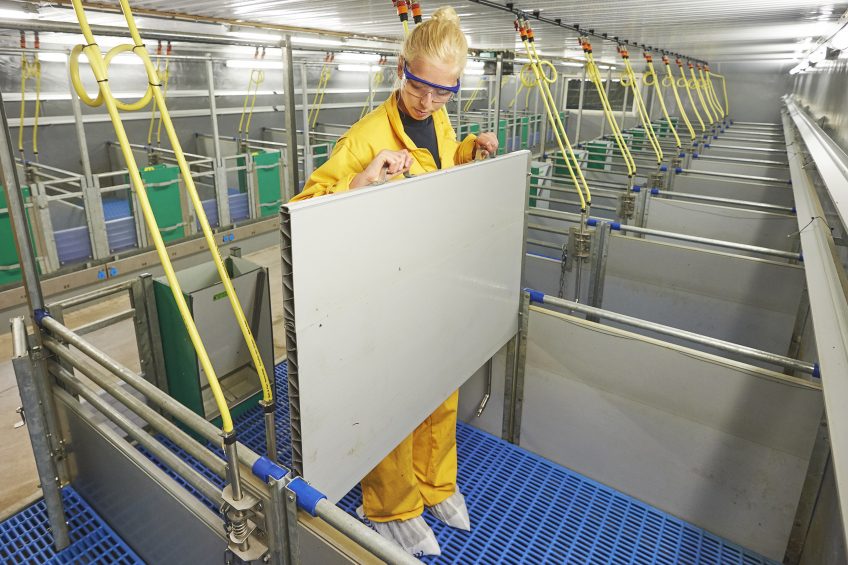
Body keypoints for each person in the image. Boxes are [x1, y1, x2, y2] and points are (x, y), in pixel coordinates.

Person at [290, 6, 498, 557]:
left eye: (443, 92)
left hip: (431, 282)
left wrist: (467, 153)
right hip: (382, 290)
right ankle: (391, 505)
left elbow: (437, 169)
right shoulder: (366, 136)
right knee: (394, 399)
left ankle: (435, 485)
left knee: (440, 390)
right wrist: (359, 183)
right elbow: (303, 212)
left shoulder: (440, 120)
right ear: (400, 68)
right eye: (419, 85)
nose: (428, 102)